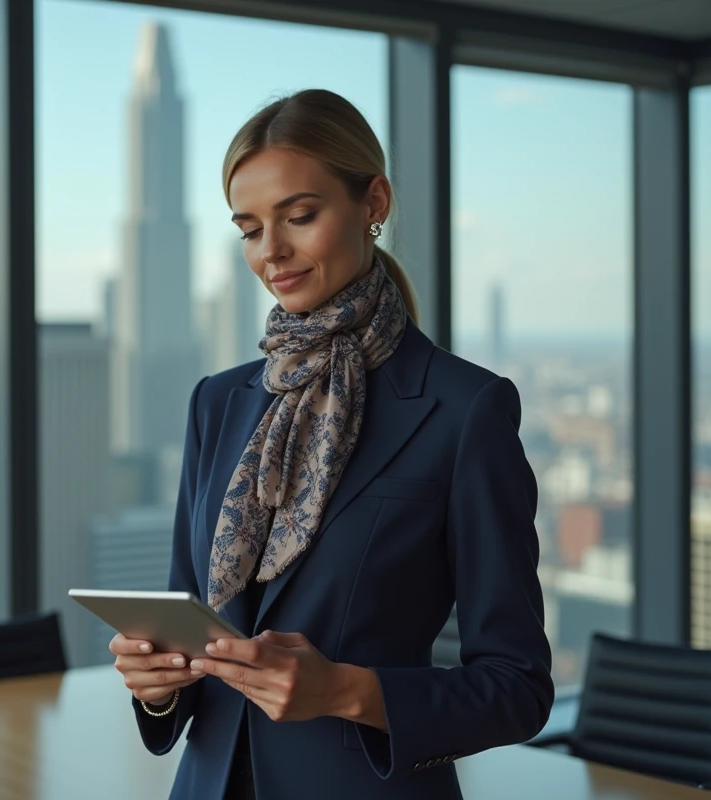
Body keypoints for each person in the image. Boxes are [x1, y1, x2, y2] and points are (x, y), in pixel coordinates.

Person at [108, 89, 554, 800]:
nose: (270, 252)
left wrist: (349, 691)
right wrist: (157, 685)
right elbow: (193, 624)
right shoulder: (218, 403)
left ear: (373, 202)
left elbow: (518, 687)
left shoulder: (466, 410)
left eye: (300, 216)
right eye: (249, 228)